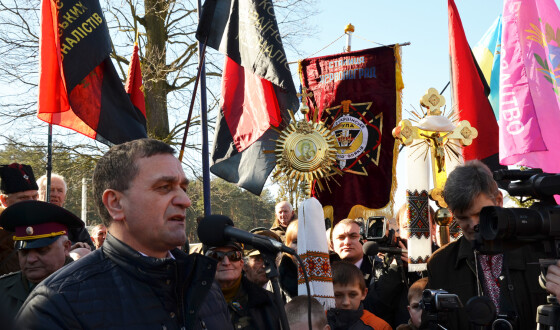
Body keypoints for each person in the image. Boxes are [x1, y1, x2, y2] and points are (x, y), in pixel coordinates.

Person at [15, 138, 232, 329]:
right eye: (165, 187)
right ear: (116, 203)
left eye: (183, 188)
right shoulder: (57, 304)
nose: (185, 201)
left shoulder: (204, 283)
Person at [425, 160, 546, 330]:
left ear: (498, 200)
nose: (473, 224)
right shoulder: (440, 264)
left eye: (480, 213)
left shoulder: (540, 250)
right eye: (463, 217)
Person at [0, 201, 82, 322]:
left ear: (66, 247)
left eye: (42, 250)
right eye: (24, 251)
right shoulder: (2, 290)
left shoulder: (87, 289)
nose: (31, 259)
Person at [206, 239, 281, 330]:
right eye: (216, 256)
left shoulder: (270, 302)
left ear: (241, 263)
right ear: (205, 264)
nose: (226, 262)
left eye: (233, 256)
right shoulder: (191, 302)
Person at [37, 173, 94, 251]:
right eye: (50, 190)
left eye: (60, 191)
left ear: (65, 196)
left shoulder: (73, 222)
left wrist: (76, 248)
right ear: (38, 194)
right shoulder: (29, 218)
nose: (55, 194)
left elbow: (91, 248)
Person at [327, 261, 392, 330]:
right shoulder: (317, 321)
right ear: (327, 294)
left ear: (364, 293)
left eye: (352, 295)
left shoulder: (379, 327)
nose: (346, 302)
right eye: (338, 295)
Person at [0, 163, 39, 275]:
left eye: (35, 197)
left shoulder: (43, 223)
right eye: (23, 198)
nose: (31, 202)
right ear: (4, 200)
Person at [279, 220, 299, 300]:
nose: (301, 246)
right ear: (287, 245)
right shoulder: (278, 277)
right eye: (296, 242)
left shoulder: (328, 270)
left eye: (306, 241)